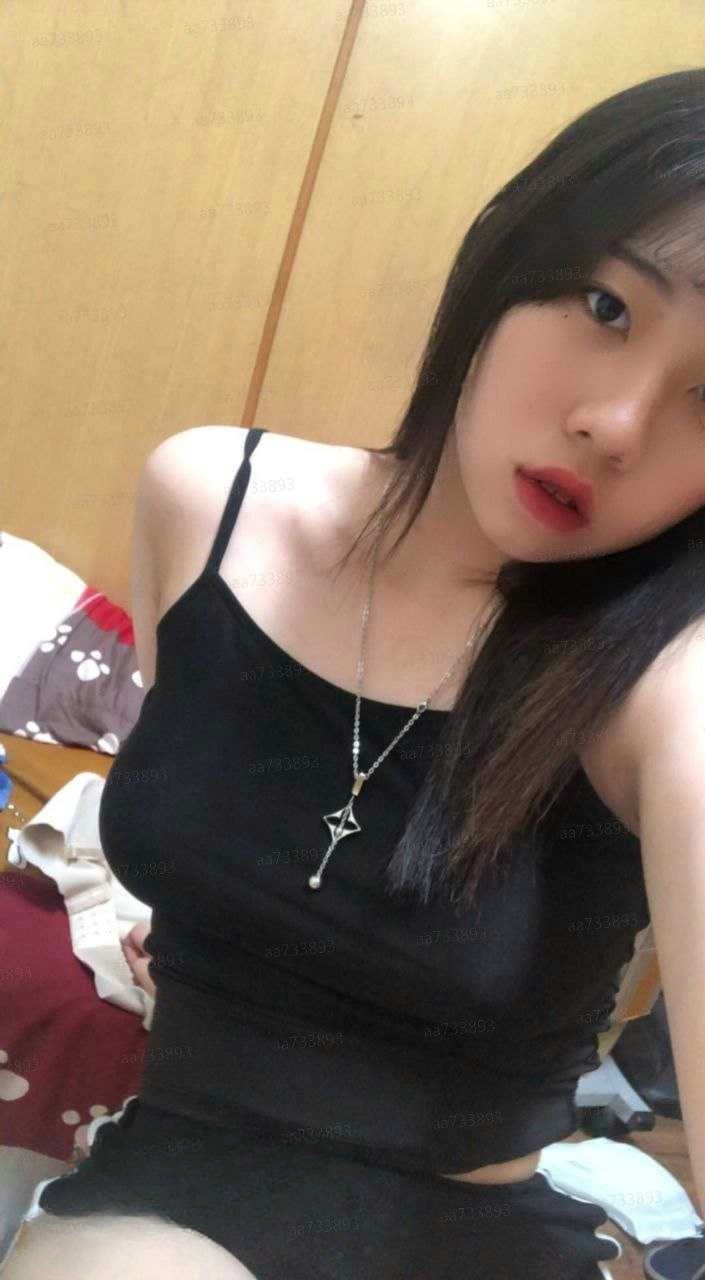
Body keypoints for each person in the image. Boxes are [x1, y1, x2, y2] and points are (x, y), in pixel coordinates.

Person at [6, 65, 705, 1280]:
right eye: (606, 305)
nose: (618, 423)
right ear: (509, 257)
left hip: (475, 1235)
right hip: (175, 1185)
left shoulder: (667, 684)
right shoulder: (208, 502)